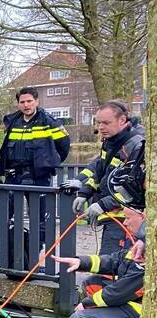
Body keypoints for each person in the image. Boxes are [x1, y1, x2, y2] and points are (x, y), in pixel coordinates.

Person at [53, 208, 145, 318]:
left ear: (144, 217)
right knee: (92, 284)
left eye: (128, 218)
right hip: (133, 305)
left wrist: (87, 303)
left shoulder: (150, 253)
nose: (124, 222)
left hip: (143, 313)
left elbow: (121, 291)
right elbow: (115, 260)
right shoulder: (140, 244)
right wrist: (81, 262)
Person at [0, 87, 70, 267]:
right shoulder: (13, 121)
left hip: (39, 177)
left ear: (36, 101)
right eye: (22, 102)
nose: (26, 105)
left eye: (29, 101)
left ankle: (32, 258)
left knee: (38, 219)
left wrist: (48, 163)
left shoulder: (49, 121)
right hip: (13, 176)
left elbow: (64, 146)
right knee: (1, 216)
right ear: (18, 104)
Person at [60, 100, 145, 255]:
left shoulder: (137, 145)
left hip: (126, 218)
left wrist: (102, 205)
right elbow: (101, 172)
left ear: (122, 120)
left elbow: (133, 189)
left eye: (106, 123)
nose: (100, 127)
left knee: (113, 262)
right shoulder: (111, 140)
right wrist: (85, 192)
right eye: (98, 122)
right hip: (112, 215)